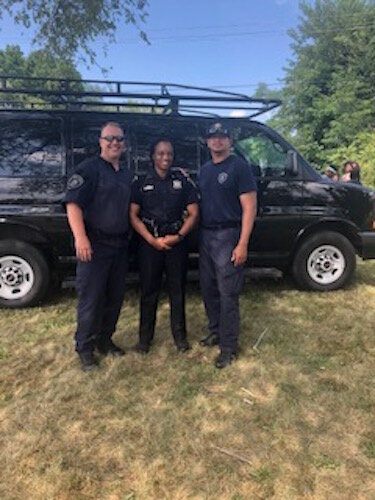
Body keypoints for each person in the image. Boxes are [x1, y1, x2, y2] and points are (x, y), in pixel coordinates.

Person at [65, 122, 132, 371]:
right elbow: (73, 205)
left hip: (119, 247)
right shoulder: (88, 169)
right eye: (110, 138)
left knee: (114, 298)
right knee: (90, 300)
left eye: (119, 139)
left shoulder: (126, 174)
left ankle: (105, 340)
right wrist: (81, 238)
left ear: (124, 144)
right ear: (100, 141)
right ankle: (84, 348)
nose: (115, 143)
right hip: (94, 246)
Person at [129, 139, 199, 353]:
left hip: (176, 243)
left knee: (177, 291)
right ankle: (144, 340)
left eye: (169, 153)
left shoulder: (182, 181)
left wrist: (178, 236)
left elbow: (194, 213)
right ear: (153, 156)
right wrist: (152, 240)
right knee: (149, 292)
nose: (165, 158)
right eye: (160, 153)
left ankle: (180, 338)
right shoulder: (141, 182)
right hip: (150, 244)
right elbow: (132, 215)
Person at [199, 122, 257, 369]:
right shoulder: (204, 170)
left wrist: (242, 243)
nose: (218, 141)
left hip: (228, 235)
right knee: (208, 289)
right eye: (213, 137)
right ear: (207, 141)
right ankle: (216, 330)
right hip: (206, 236)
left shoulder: (239, 167)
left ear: (230, 141)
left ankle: (229, 347)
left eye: (223, 137)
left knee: (228, 294)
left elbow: (249, 207)